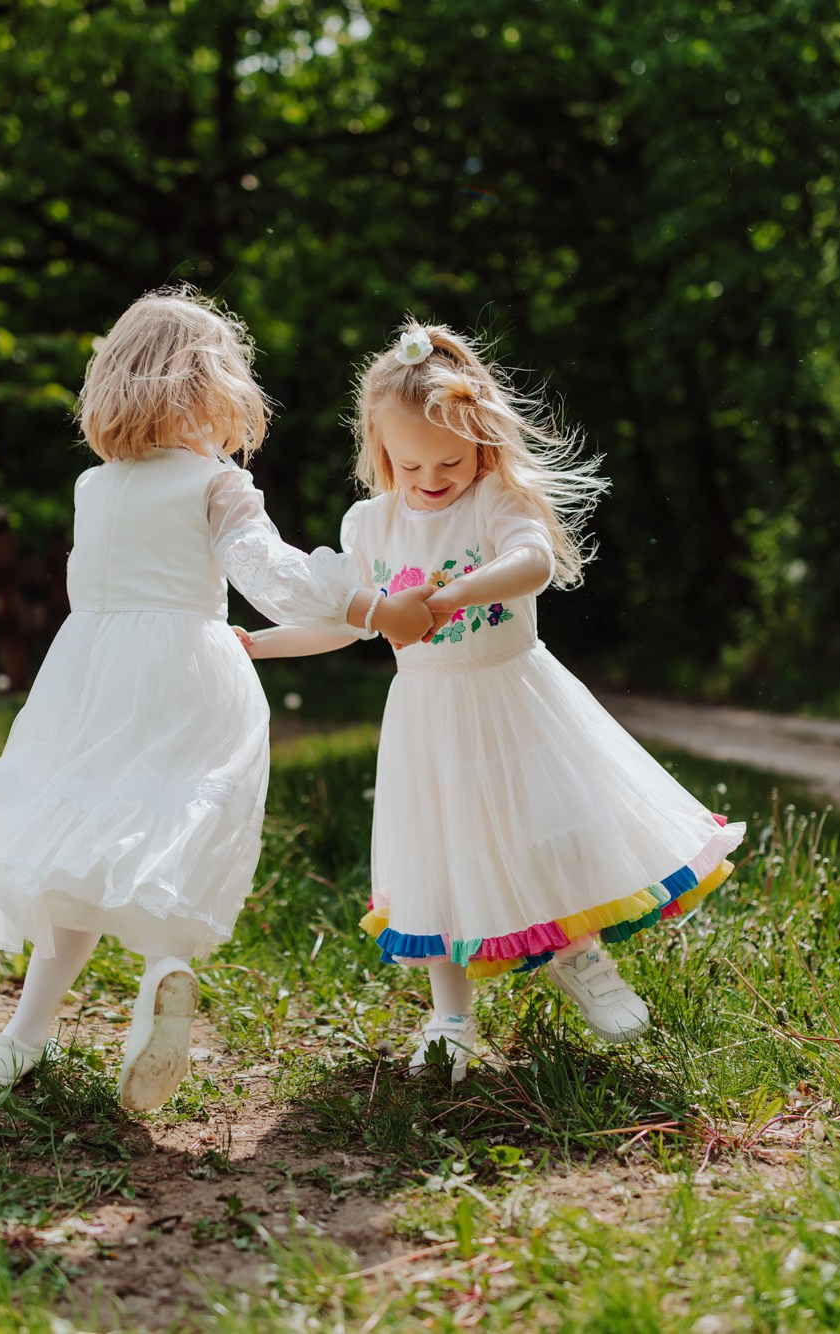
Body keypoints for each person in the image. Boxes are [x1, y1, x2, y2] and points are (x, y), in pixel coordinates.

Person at [0, 288, 435, 1109]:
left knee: (82, 836)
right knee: (176, 820)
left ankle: (21, 1038)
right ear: (212, 390)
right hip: (186, 672)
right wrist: (362, 603)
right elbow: (268, 575)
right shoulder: (215, 484)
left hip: (87, 674)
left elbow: (91, 587)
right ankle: (164, 972)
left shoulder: (93, 486)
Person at [244, 322, 742, 1081]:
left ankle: (579, 958)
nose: (431, 476)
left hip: (515, 701)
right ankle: (451, 1016)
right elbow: (337, 623)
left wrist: (452, 596)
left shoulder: (497, 501)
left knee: (548, 828)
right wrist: (259, 645)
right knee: (437, 861)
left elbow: (533, 563)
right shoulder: (368, 525)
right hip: (428, 721)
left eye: (450, 458)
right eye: (409, 463)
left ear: (480, 442)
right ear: (380, 452)